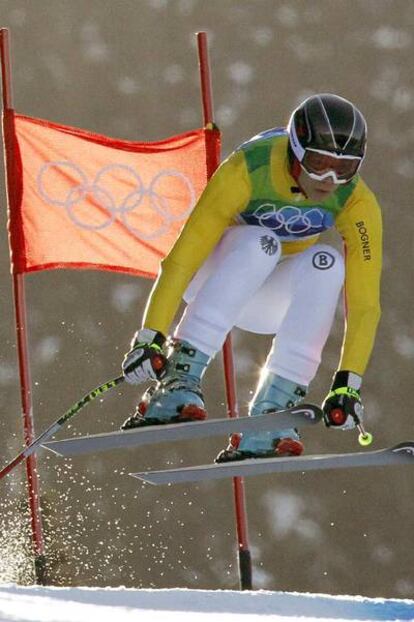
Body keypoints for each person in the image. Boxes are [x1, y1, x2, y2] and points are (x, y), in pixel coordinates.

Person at [121, 93, 382, 463]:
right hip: (211, 278)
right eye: (319, 163)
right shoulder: (250, 168)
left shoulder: (355, 200)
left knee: (327, 262)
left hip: (267, 300)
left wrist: (348, 383)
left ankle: (271, 413)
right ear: (295, 149)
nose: (329, 180)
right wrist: (150, 337)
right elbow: (181, 261)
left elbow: (366, 305)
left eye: (345, 168)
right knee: (261, 242)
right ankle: (178, 380)